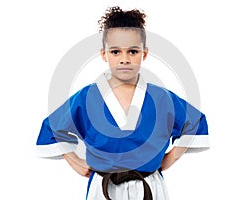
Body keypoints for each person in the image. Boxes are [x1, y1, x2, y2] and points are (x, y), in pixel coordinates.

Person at [36, 6, 209, 200]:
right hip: (103, 188)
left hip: (149, 186)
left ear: (144, 53)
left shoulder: (162, 98)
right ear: (104, 54)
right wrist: (74, 160)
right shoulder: (87, 97)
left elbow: (196, 121)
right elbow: (51, 127)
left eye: (133, 51)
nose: (124, 59)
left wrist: (170, 158)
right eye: (116, 52)